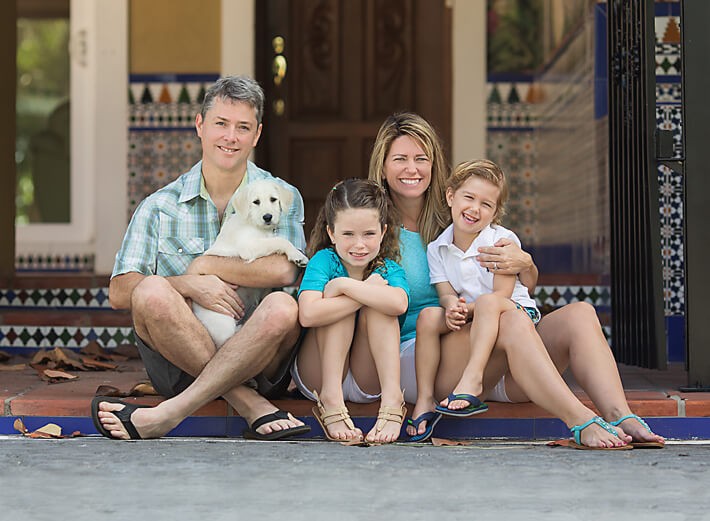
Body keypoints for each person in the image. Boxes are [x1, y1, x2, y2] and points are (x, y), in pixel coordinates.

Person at [368, 112, 665, 448]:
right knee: (507, 318)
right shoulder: (371, 227)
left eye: (421, 159)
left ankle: (619, 414)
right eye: (400, 159)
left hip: (492, 346)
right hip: (425, 355)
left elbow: (521, 288)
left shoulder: (458, 215)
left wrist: (525, 262)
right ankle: (580, 421)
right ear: (382, 165)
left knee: (579, 313)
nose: (412, 169)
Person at [92, 75, 311, 441]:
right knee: (150, 292)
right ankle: (247, 401)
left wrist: (205, 265)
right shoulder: (159, 206)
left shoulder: (278, 194)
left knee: (284, 308)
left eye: (243, 127)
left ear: (256, 135)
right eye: (221, 124)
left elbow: (284, 269)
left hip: (257, 358)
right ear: (200, 125)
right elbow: (119, 292)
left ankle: (174, 411)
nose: (230, 137)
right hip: (180, 365)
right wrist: (187, 284)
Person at [416, 159, 541, 421]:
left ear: (495, 213)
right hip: (478, 317)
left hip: (514, 315)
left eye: (486, 204)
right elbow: (445, 291)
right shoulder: (436, 248)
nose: (475, 209)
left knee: (486, 303)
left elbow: (500, 296)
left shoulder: (500, 241)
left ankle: (472, 379)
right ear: (451, 196)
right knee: (428, 316)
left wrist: (467, 309)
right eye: (469, 198)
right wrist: (451, 306)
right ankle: (424, 397)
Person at [292, 178, 409, 443]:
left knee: (380, 305)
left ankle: (392, 399)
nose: (359, 245)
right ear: (332, 233)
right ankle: (331, 400)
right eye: (348, 234)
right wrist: (355, 288)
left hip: (367, 379)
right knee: (336, 299)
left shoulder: (387, 269)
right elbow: (308, 314)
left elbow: (399, 303)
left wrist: (345, 287)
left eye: (368, 234)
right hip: (318, 378)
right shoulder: (324, 260)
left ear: (383, 231)